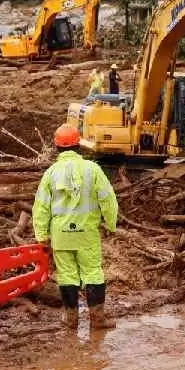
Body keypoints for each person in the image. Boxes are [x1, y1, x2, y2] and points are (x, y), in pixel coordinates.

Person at [32, 125, 118, 330]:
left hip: (61, 236)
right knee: (93, 273)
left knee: (67, 275)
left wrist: (41, 235)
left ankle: (71, 320)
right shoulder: (93, 169)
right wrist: (111, 223)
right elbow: (108, 199)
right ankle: (97, 320)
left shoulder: (50, 173)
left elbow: (41, 207)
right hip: (86, 234)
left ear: (57, 146)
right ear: (78, 144)